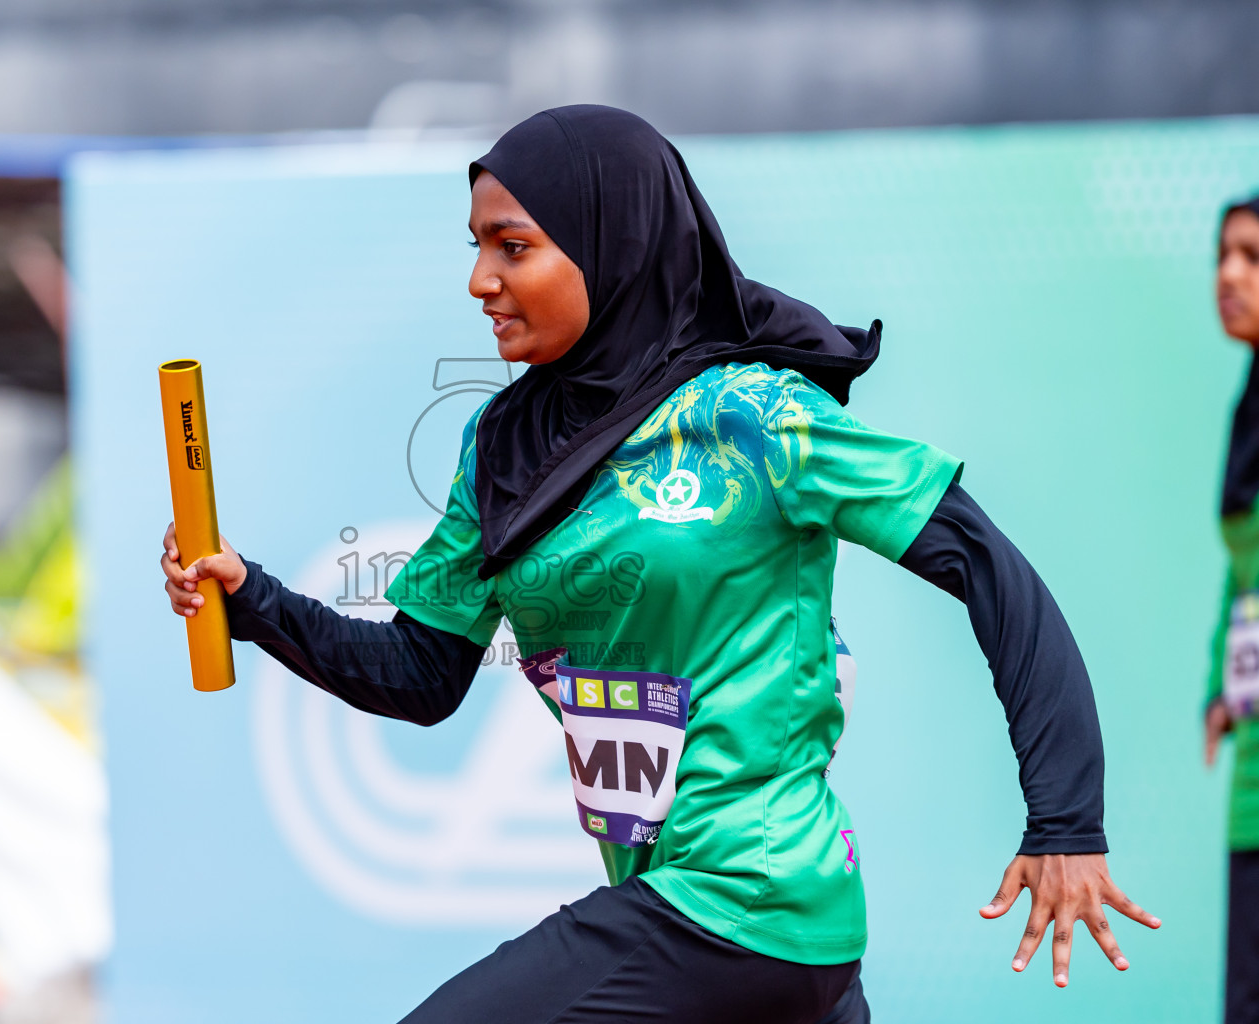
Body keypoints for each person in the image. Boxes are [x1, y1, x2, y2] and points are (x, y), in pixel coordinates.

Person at [160, 106, 1158, 1023]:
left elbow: (989, 564)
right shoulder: (502, 449)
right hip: (697, 914)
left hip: (749, 895)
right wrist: (252, 598)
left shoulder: (755, 415)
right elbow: (422, 675)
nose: (480, 280)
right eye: (477, 248)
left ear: (613, 247)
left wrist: (1065, 818)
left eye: (516, 248)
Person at [1205, 194, 1259, 1024]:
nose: (1227, 275)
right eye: (1222, 255)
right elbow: (1238, 574)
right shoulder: (1247, 408)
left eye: (1252, 256)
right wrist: (1218, 686)